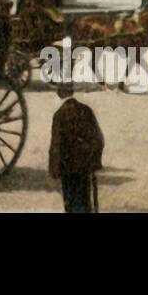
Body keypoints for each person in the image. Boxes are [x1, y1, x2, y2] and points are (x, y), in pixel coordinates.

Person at [48, 83, 105, 212]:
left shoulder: (59, 115)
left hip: (67, 170)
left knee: (70, 203)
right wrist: (94, 162)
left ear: (59, 92)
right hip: (84, 169)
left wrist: (54, 170)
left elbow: (56, 145)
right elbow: (98, 139)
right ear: (72, 91)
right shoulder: (86, 110)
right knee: (84, 201)